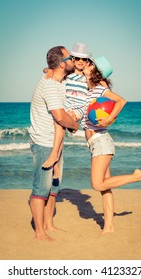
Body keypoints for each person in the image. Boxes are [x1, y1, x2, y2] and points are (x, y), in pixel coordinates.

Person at [81, 56, 141, 233]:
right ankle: (109, 226)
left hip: (101, 140)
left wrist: (109, 118)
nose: (86, 64)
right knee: (105, 187)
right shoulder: (89, 88)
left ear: (96, 71)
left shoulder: (100, 88)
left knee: (97, 184)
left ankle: (136, 176)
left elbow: (121, 101)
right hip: (96, 143)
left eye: (90, 64)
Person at [28, 46, 79, 241]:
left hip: (54, 142)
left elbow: (52, 70)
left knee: (54, 186)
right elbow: (59, 116)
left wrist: (47, 68)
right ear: (61, 63)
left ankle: (49, 224)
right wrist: (74, 125)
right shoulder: (50, 85)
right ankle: (39, 232)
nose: (73, 59)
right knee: (41, 188)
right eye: (70, 57)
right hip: (44, 142)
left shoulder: (59, 80)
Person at [42, 43, 90, 190]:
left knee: (60, 123)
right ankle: (56, 163)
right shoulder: (68, 74)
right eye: (77, 58)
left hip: (79, 108)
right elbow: (51, 69)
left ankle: (54, 155)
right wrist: (48, 70)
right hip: (67, 104)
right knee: (60, 126)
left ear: (88, 61)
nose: (81, 61)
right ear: (72, 60)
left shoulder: (88, 76)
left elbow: (99, 85)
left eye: (84, 59)